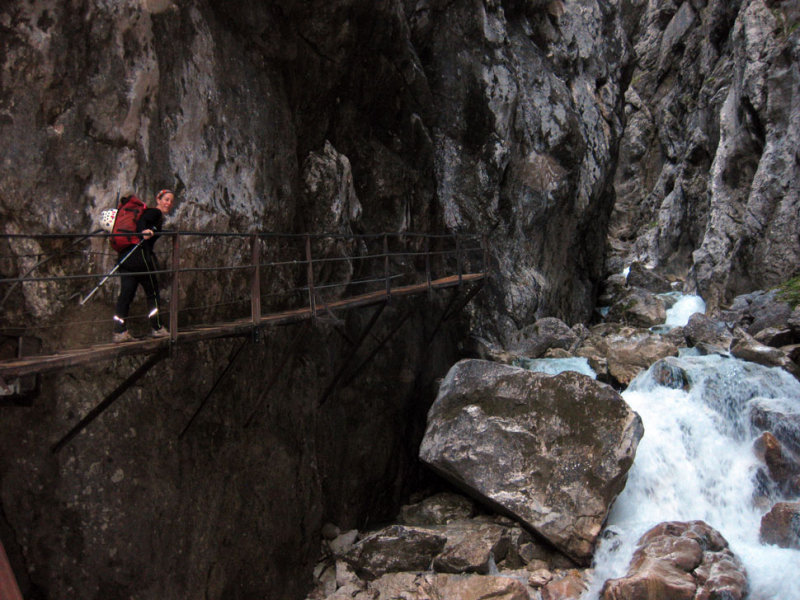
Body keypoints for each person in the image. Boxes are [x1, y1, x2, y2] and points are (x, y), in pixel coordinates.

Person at [112, 189, 175, 342]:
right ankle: (157, 327)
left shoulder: (148, 213)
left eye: (171, 201)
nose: (168, 203)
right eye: (166, 199)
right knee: (152, 293)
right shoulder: (155, 213)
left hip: (126, 257)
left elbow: (142, 221)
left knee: (126, 295)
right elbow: (143, 222)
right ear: (158, 199)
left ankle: (119, 331)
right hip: (140, 257)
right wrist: (143, 231)